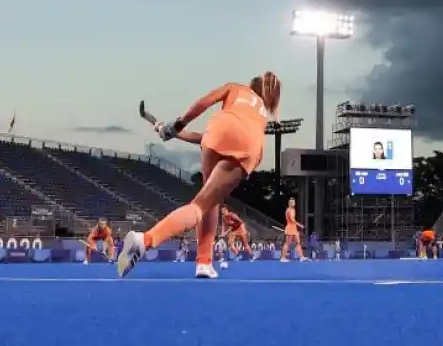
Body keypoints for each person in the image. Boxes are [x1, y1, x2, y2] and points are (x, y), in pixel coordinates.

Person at [116, 72, 281, 279]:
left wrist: (176, 127)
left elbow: (204, 106)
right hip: (247, 145)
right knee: (202, 205)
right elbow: (239, 135)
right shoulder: (262, 113)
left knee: (209, 203)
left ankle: (204, 262)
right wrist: (174, 130)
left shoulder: (235, 88)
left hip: (216, 132)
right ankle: (146, 240)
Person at [281, 197, 307, 262]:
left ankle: (301, 257)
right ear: (290, 203)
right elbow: (292, 220)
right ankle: (283, 258)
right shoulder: (289, 210)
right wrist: (300, 225)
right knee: (287, 243)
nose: (294, 203)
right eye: (293, 202)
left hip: (294, 228)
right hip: (290, 228)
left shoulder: (293, 210)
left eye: (294, 202)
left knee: (298, 242)